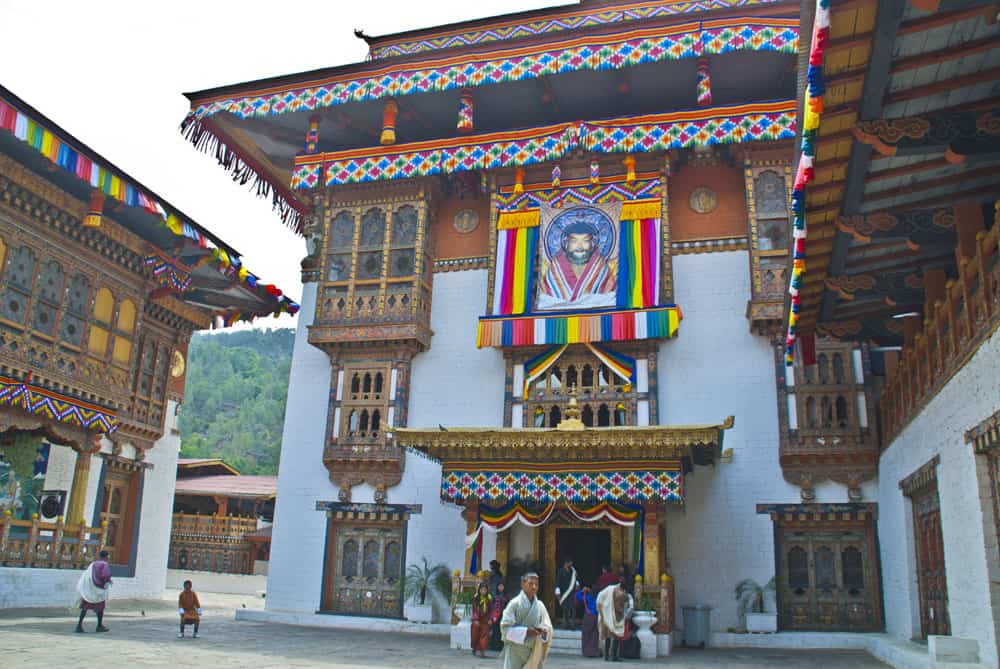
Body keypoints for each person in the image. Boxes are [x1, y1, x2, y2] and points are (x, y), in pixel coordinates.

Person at [540, 218, 616, 310]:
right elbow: (545, 298)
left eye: (585, 241)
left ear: (592, 243)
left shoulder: (602, 270)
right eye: (574, 241)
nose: (579, 246)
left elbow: (610, 296)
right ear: (566, 243)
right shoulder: (554, 271)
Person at [500, 572, 553, 669]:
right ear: (523, 584)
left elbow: (548, 626)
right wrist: (526, 632)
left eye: (536, 584)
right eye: (530, 583)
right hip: (516, 652)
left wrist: (544, 632)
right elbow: (505, 628)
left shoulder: (540, 605)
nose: (534, 587)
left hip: (534, 652)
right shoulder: (514, 604)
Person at [76, 550, 112, 633]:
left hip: (89, 589)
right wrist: (108, 581)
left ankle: (79, 625)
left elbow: (87, 574)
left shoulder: (93, 564)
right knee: (100, 608)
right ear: (107, 556)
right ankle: (99, 626)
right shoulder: (104, 564)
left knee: (84, 608)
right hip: (98, 590)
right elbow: (105, 575)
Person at [596, 581, 632, 662]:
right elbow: (626, 600)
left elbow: (600, 596)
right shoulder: (622, 594)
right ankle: (614, 656)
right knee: (616, 636)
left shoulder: (610, 588)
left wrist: (602, 609)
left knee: (608, 636)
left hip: (607, 615)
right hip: (617, 616)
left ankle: (606, 656)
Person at [470, 581, 493, 658]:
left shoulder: (489, 598)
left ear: (487, 590)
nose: (483, 591)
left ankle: (482, 651)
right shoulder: (476, 598)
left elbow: (491, 610)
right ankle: (474, 648)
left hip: (485, 619)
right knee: (475, 634)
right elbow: (474, 609)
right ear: (479, 590)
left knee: (485, 635)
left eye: (485, 590)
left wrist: (490, 619)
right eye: (482, 589)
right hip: (477, 619)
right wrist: (475, 619)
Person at [576, 585, 600, 657]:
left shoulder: (588, 597)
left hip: (588, 616)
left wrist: (582, 591)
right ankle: (593, 652)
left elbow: (577, 596)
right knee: (594, 635)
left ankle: (586, 652)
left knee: (586, 634)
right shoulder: (598, 598)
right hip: (595, 616)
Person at [554, 557, 577, 629]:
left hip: (571, 593)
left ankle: (572, 624)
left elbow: (574, 580)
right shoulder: (561, 571)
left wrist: (577, 584)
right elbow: (558, 581)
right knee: (565, 609)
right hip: (564, 593)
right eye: (570, 563)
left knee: (573, 609)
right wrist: (558, 590)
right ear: (566, 563)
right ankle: (565, 624)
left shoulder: (572, 571)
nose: (571, 564)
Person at [489, 581, 510, 652]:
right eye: (499, 586)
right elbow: (491, 606)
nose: (501, 588)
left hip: (503, 616)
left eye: (502, 586)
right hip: (495, 616)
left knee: (502, 631)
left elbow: (508, 606)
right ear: (497, 587)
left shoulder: (506, 596)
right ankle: (493, 646)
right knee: (495, 631)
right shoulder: (494, 596)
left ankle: (500, 646)